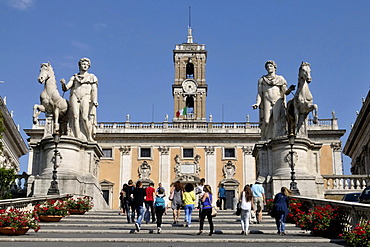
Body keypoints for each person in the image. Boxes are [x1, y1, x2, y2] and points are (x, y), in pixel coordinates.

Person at [252, 60, 295, 140]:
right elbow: (259, 94)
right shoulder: (262, 80)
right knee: (266, 121)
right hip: (266, 101)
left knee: (276, 120)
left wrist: (290, 89)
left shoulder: (280, 79)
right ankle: (266, 138)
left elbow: (285, 92)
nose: (269, 68)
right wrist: (257, 103)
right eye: (267, 66)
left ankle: (276, 138)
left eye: (271, 66)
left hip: (277, 100)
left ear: (275, 68)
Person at [61, 57, 98, 142]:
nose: (85, 66)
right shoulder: (74, 77)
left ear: (88, 66)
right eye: (83, 64)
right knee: (75, 116)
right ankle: (77, 137)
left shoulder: (92, 77)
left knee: (85, 117)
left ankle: (89, 137)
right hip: (75, 95)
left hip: (86, 96)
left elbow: (94, 90)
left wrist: (94, 100)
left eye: (86, 64)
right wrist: (63, 84)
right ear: (79, 65)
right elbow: (66, 88)